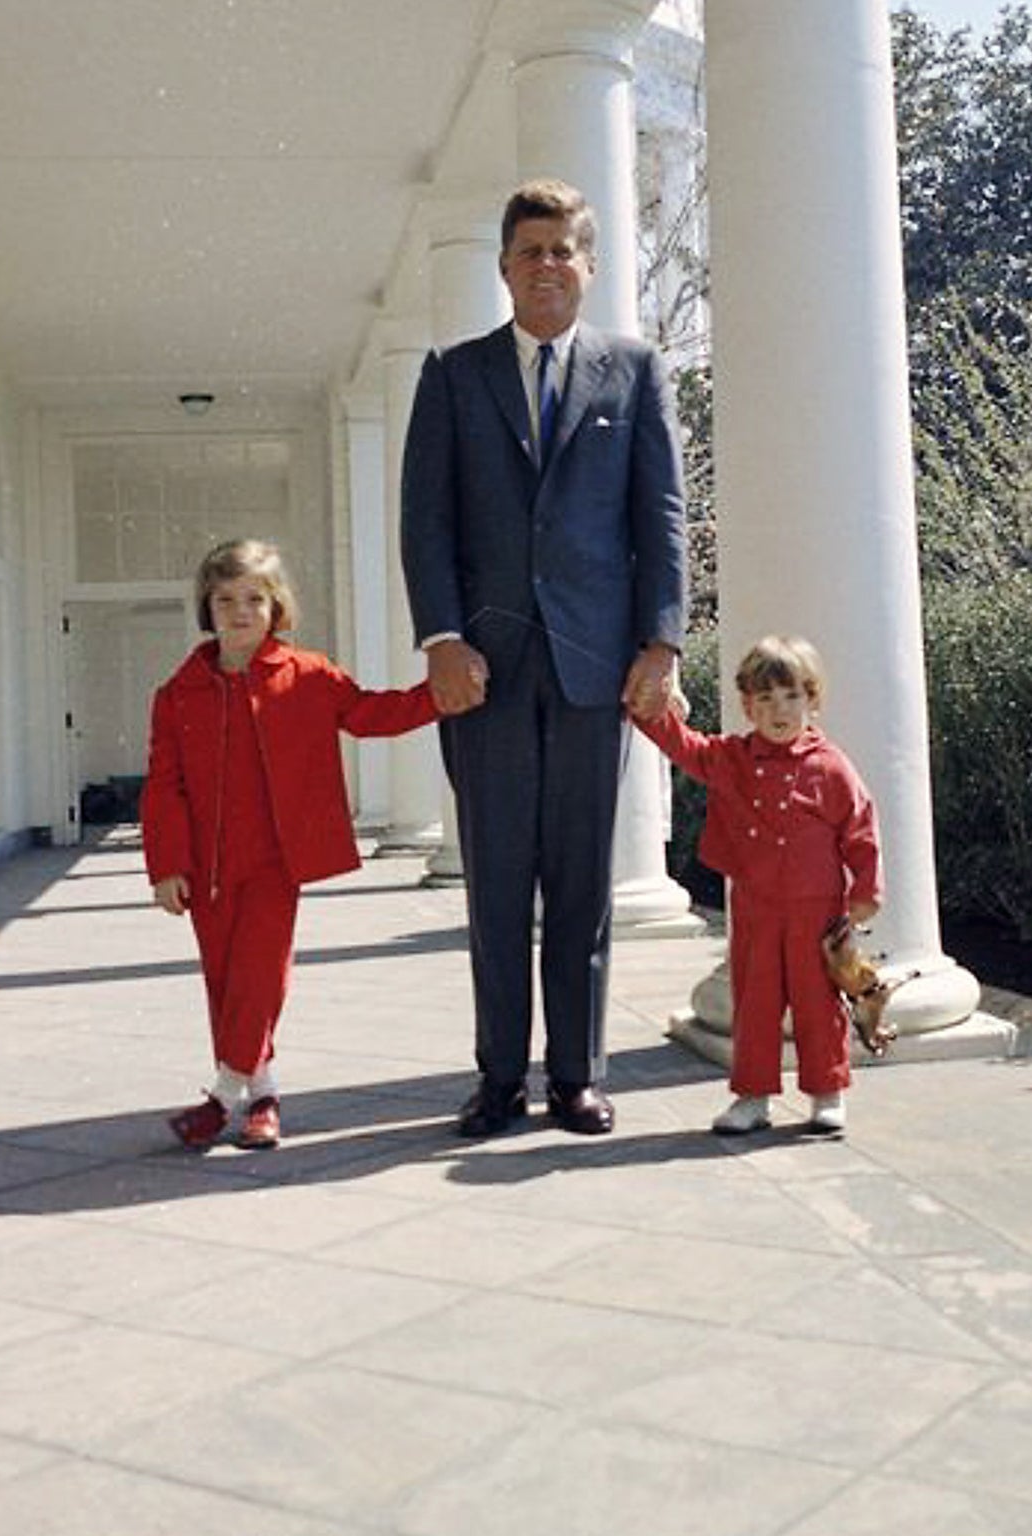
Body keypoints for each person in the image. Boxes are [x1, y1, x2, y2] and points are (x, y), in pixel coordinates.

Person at [400, 176, 688, 1138]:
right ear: (504, 268)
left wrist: (662, 642)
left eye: (564, 249)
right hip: (483, 671)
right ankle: (496, 1080)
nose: (547, 265)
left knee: (580, 883)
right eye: (530, 250)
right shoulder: (452, 373)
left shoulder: (634, 371)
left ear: (590, 265)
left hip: (591, 671)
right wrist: (441, 638)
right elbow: (425, 522)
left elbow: (661, 519)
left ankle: (576, 1076)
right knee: (495, 883)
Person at [142, 539, 444, 1149]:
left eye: (254, 598)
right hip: (206, 869)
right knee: (226, 984)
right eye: (224, 599)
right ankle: (264, 1096)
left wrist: (441, 696)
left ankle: (222, 1097)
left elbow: (369, 714)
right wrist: (167, 866)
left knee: (259, 976)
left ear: (277, 606)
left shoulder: (307, 675)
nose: (239, 611)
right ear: (207, 607)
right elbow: (163, 787)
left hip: (276, 861)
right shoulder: (178, 694)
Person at [631, 636, 880, 1134]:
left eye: (791, 697)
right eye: (764, 699)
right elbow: (683, 745)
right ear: (747, 705)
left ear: (813, 700)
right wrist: (653, 708)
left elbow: (861, 827)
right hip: (756, 908)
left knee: (819, 1003)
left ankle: (827, 1092)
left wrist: (865, 891)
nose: (778, 710)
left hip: (819, 913)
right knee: (756, 1003)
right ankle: (753, 1097)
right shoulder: (732, 759)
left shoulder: (831, 766)